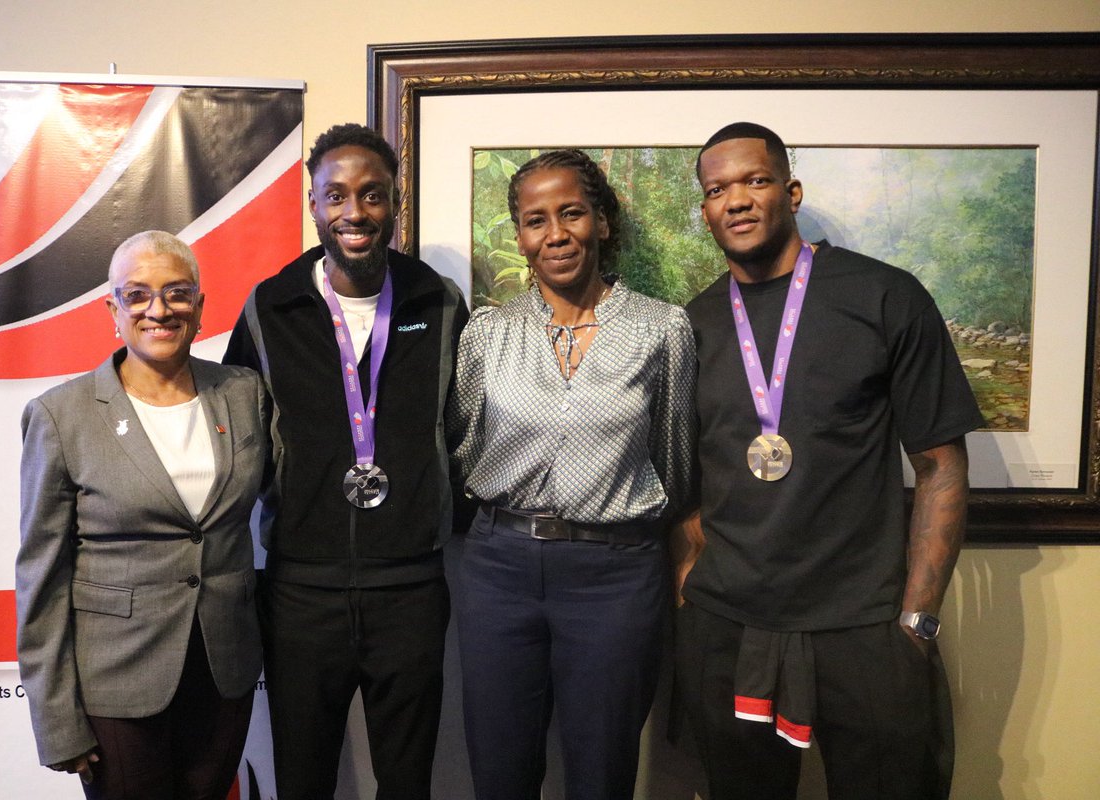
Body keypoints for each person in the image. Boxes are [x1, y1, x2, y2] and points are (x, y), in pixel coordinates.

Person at [673, 122, 984, 800]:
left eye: (755, 180)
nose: (736, 200)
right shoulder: (692, 323)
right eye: (717, 190)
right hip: (730, 626)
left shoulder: (884, 297)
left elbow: (940, 466)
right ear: (705, 209)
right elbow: (688, 479)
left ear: (791, 191)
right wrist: (690, 589)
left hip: (863, 624)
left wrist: (918, 619)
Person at [223, 122, 469, 800]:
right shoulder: (270, 307)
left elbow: (465, 427)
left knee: (407, 783)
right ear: (314, 204)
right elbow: (237, 433)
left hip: (411, 587)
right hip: (301, 591)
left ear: (395, 203)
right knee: (302, 780)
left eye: (371, 194)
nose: (353, 213)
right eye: (335, 196)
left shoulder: (439, 303)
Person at [449, 148, 697, 800]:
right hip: (498, 571)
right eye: (536, 221)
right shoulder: (488, 333)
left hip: (615, 576)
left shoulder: (661, 329)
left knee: (602, 773)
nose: (555, 234)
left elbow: (673, 462)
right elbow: (465, 447)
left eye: (572, 213)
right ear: (520, 238)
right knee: (500, 773)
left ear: (602, 222)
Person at [16, 230, 269, 799]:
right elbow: (41, 578)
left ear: (199, 307)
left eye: (177, 292)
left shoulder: (244, 393)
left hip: (223, 671)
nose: (159, 310)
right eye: (137, 295)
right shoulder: (61, 415)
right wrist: (56, 720)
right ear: (113, 310)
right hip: (118, 681)